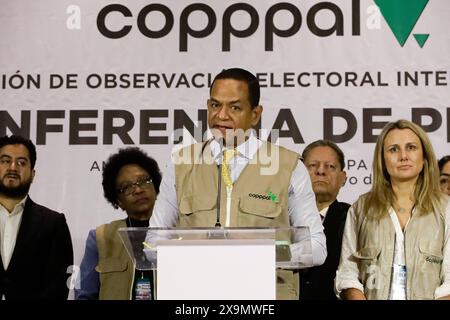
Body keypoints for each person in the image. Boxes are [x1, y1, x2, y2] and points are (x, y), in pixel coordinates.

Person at [149, 67, 326, 299]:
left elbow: (317, 247)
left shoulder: (288, 166)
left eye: (234, 107)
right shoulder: (181, 163)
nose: (221, 116)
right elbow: (152, 242)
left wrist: (262, 252)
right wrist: (195, 252)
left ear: (255, 114)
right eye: (215, 105)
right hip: (196, 296)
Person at [335, 120, 450, 300]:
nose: (403, 156)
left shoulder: (446, 208)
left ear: (424, 156)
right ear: (382, 159)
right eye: (393, 149)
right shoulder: (361, 208)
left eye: (411, 147)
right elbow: (348, 274)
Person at [75, 147, 161, 300]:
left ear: (156, 187)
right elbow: (84, 295)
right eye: (127, 187)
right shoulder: (100, 238)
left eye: (144, 181)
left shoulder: (178, 234)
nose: (138, 190)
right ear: (118, 201)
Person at [0, 135, 73, 299]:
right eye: (5, 161)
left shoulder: (53, 223)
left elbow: (61, 283)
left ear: (33, 174)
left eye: (21, 162)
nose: (13, 167)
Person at [299, 140, 349, 300]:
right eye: (313, 165)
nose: (321, 171)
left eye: (330, 166)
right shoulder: (278, 216)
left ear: (343, 178)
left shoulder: (354, 218)